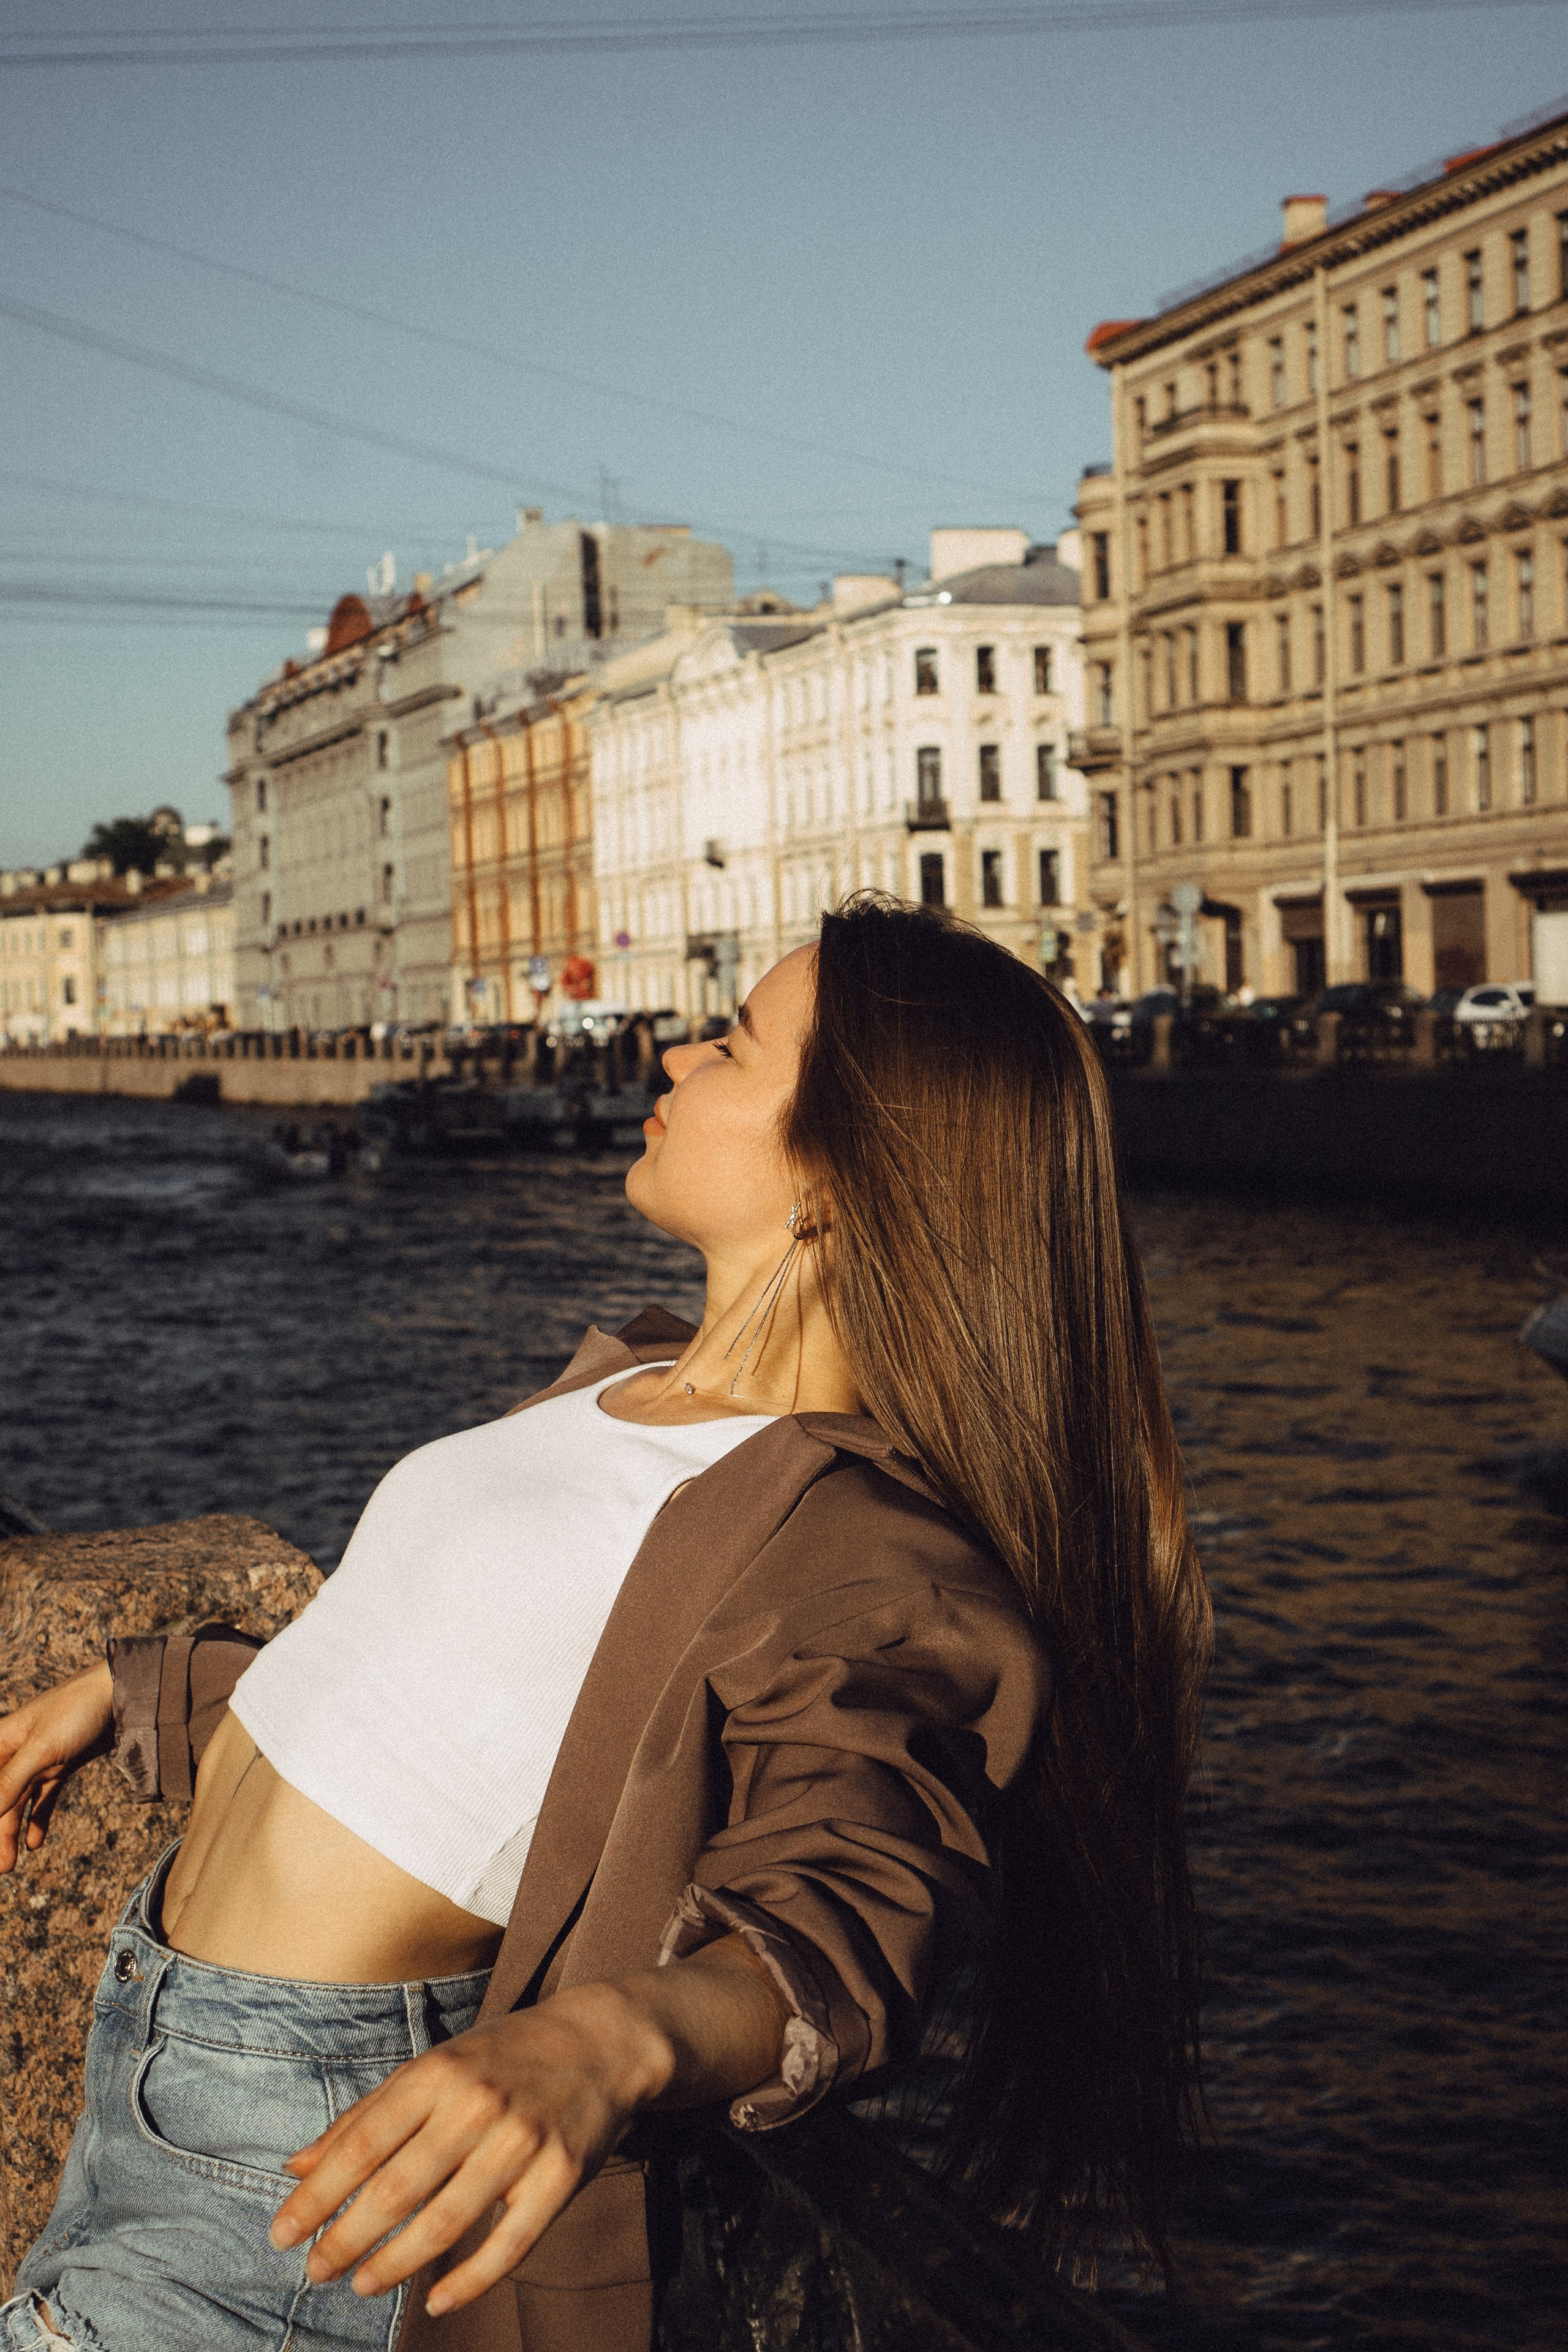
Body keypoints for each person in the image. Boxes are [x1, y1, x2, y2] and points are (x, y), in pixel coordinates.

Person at [0, 897, 1210, 2352]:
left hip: (319, 2147)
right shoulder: (619, 1384)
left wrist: (602, 2042)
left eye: (735, 1044)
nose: (679, 1051)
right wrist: (148, 1699)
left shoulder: (861, 1536)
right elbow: (446, 1707)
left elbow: (848, 1900)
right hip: (153, 2040)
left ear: (829, 1176)